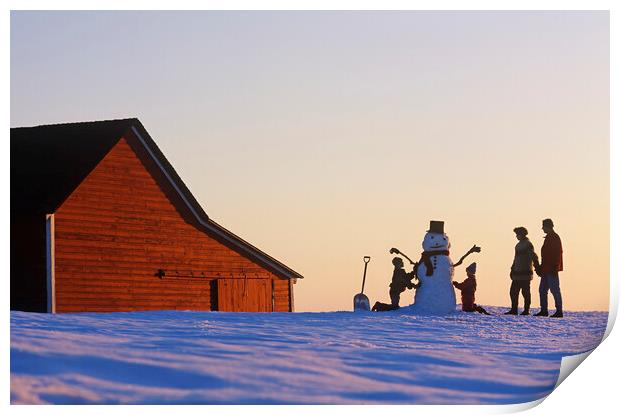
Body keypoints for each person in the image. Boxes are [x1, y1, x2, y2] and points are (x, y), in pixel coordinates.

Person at [504, 227, 539, 315]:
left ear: (522, 234)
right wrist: (512, 269)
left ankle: (526, 310)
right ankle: (514, 309)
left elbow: (533, 256)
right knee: (513, 292)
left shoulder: (528, 244)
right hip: (517, 273)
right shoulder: (518, 245)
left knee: (525, 292)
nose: (516, 236)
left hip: (525, 273)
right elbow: (515, 259)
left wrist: (537, 267)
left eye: (517, 234)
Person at [534, 218, 564, 318]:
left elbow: (557, 253)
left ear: (548, 226)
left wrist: (555, 266)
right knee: (542, 289)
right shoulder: (550, 237)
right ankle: (544, 310)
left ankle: (559, 311)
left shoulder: (554, 237)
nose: (542, 229)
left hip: (551, 269)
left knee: (554, 290)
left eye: (544, 226)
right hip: (546, 269)